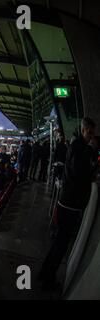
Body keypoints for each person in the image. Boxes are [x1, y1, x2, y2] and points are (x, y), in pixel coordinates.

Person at [39, 117, 97, 290]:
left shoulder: (77, 146)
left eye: (93, 134)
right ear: (83, 129)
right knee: (61, 244)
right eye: (90, 132)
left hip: (67, 201)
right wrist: (92, 172)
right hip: (70, 203)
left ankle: (44, 273)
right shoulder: (80, 148)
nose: (91, 136)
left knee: (59, 242)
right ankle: (48, 281)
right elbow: (79, 174)